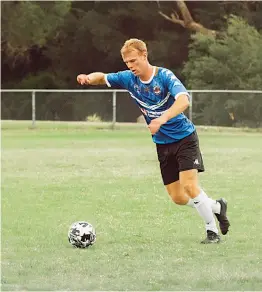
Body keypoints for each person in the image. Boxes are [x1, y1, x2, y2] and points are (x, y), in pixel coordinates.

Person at [77, 38, 230, 244]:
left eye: (133, 61)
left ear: (144, 55)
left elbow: (184, 100)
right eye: (127, 63)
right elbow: (103, 77)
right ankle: (216, 207)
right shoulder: (128, 78)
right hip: (162, 143)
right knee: (177, 197)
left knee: (189, 185)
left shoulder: (164, 76)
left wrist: (163, 118)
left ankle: (212, 232)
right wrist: (88, 77)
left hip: (185, 138)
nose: (131, 66)